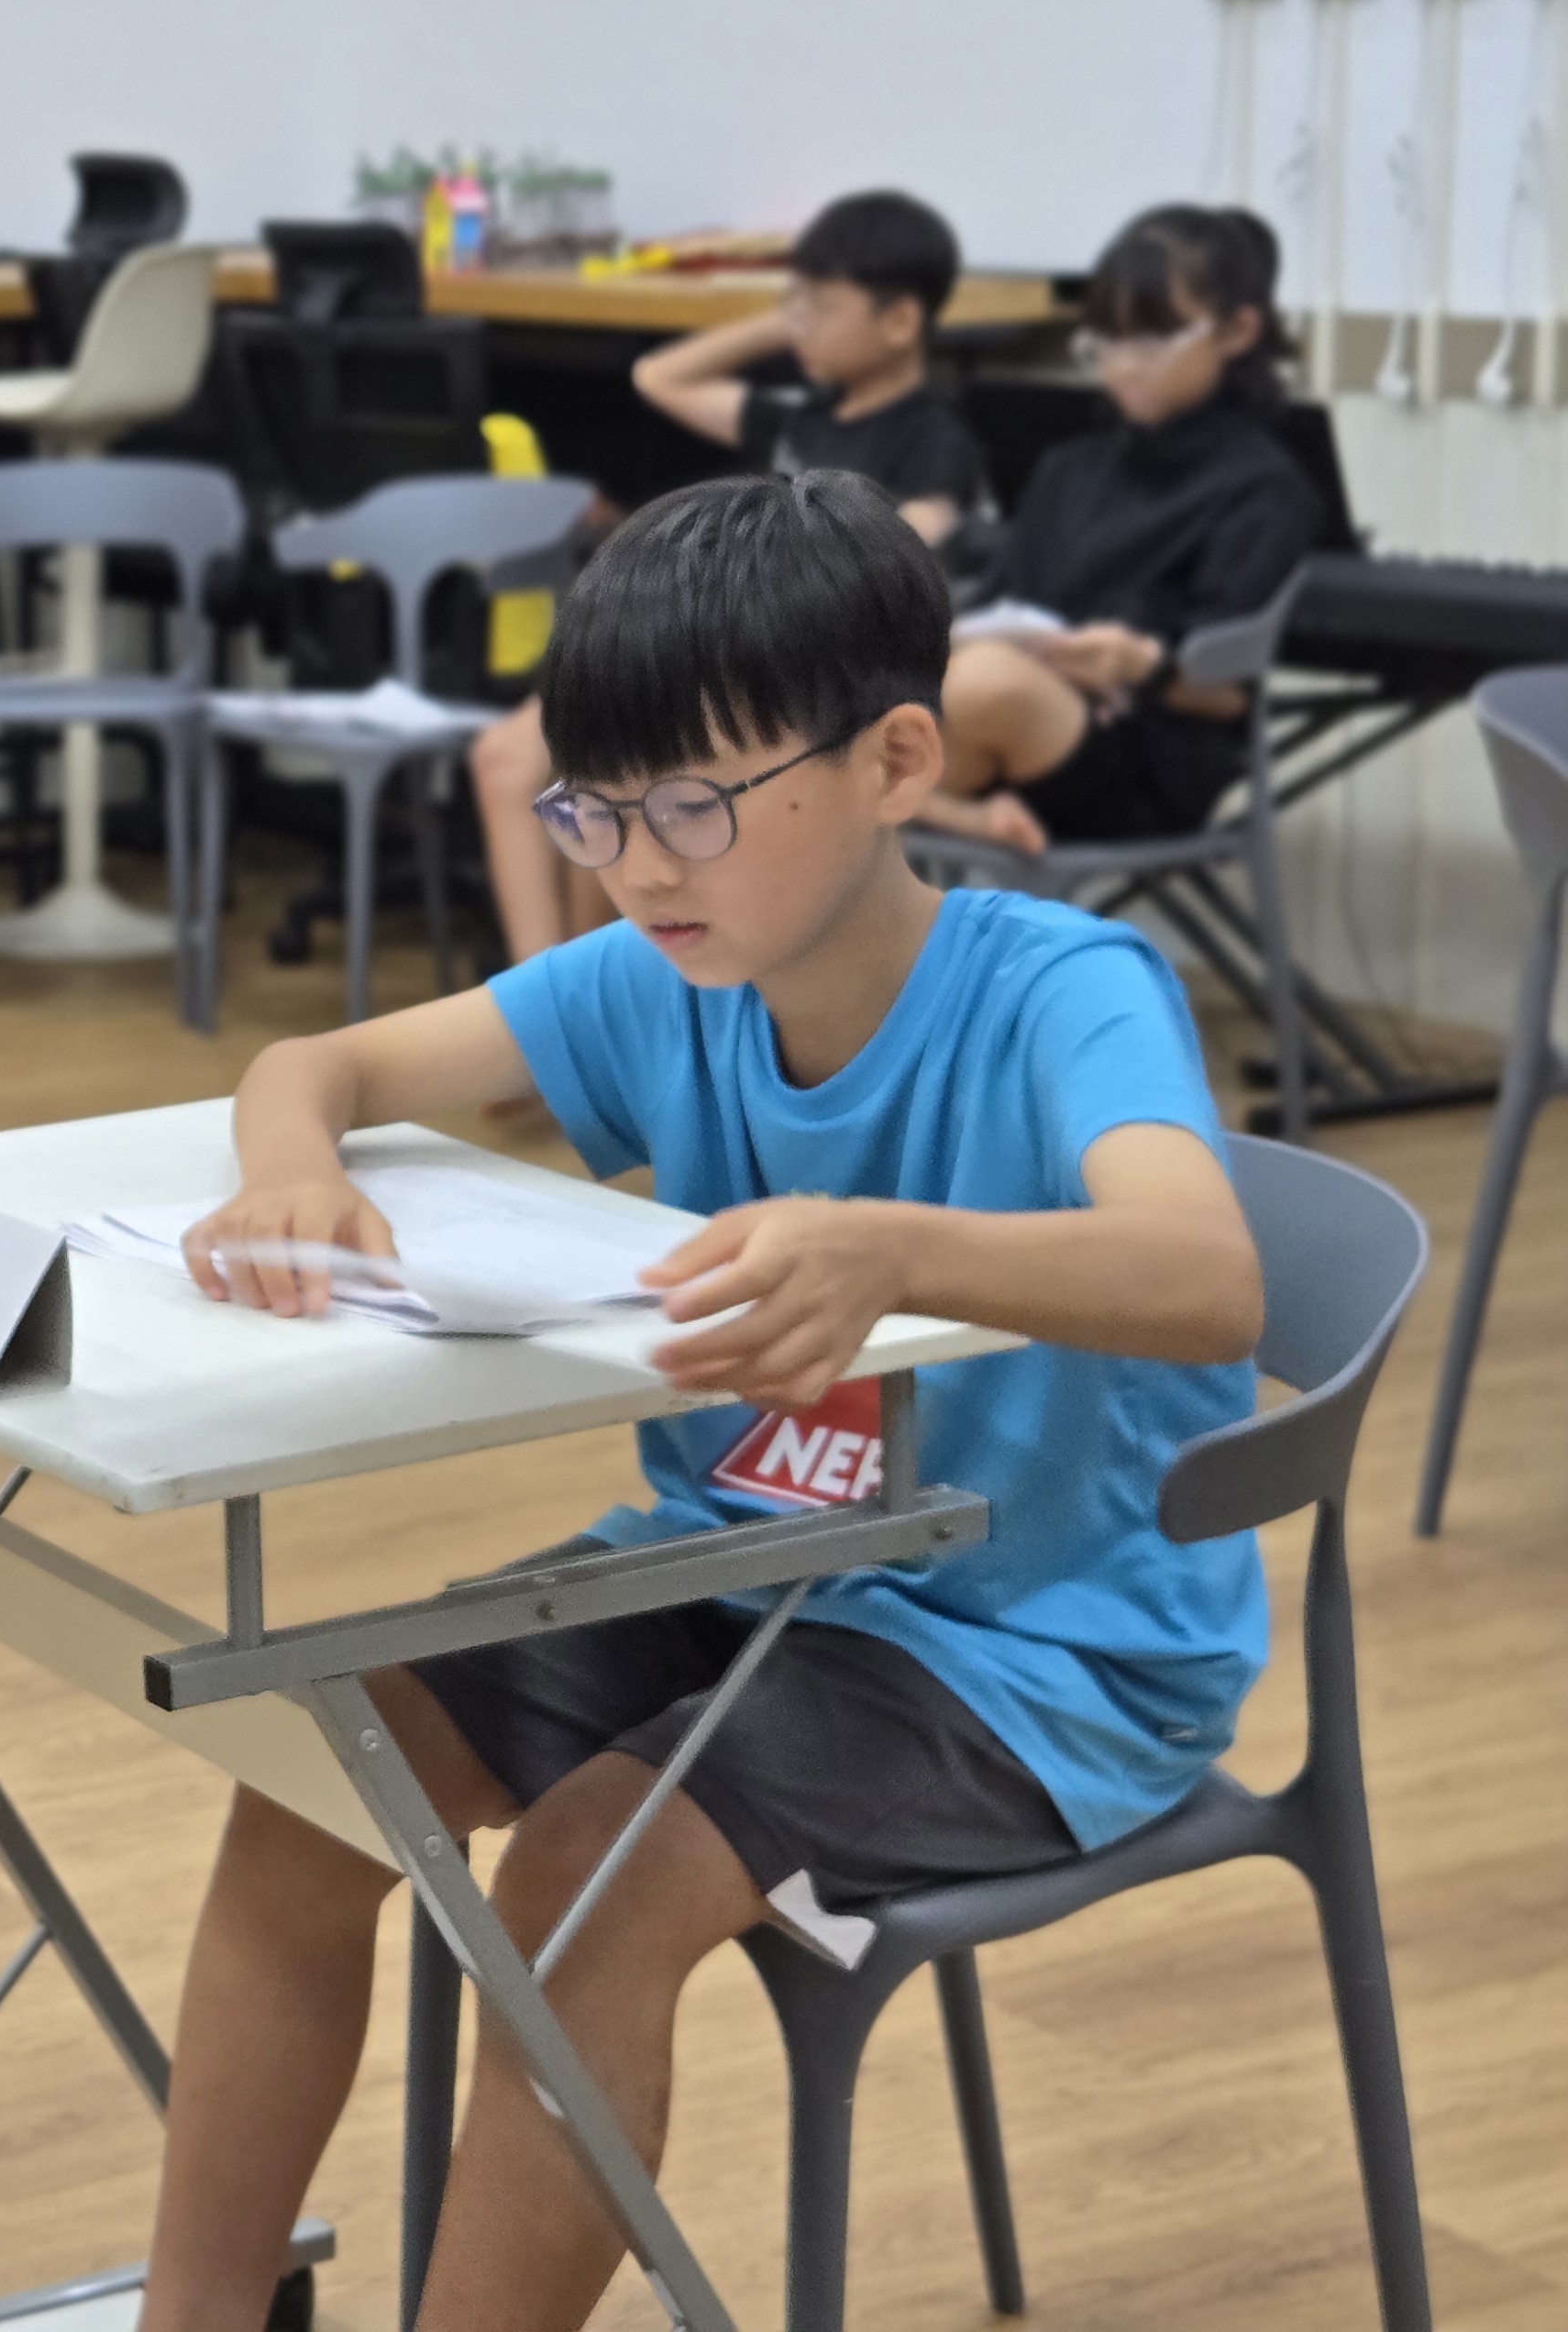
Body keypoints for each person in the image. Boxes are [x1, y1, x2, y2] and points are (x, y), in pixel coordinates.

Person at [138, 473, 1268, 2332]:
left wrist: (895, 1252)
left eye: (693, 807)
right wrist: (290, 1170)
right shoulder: (663, 978)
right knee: (311, 1777)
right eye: (593, 811)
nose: (639, 866)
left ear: (896, 760)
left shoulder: (1063, 988)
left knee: (585, 1873)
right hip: (734, 1563)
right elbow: (310, 1060)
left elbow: (1205, 1274)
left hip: (1037, 1649)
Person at [469, 189, 991, 967]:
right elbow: (658, 374)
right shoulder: (798, 419)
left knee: (617, 786)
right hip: (702, 651)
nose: (801, 324)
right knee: (520, 761)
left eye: (823, 307)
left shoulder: (934, 443)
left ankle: (585, 999)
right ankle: (547, 997)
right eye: (795, 304)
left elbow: (902, 570)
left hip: (780, 678)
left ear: (901, 321)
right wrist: (791, 315)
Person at [923, 204, 1320, 854]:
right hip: (1021, 720)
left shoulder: (1262, 487)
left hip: (1145, 758)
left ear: (1237, 331)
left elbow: (1224, 693)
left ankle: (912, 813)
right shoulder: (1069, 468)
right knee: (836, 678)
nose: (1124, 366)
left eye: (1152, 341)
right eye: (1105, 343)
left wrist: (1145, 666)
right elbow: (996, 606)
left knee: (980, 684)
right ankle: (940, 815)